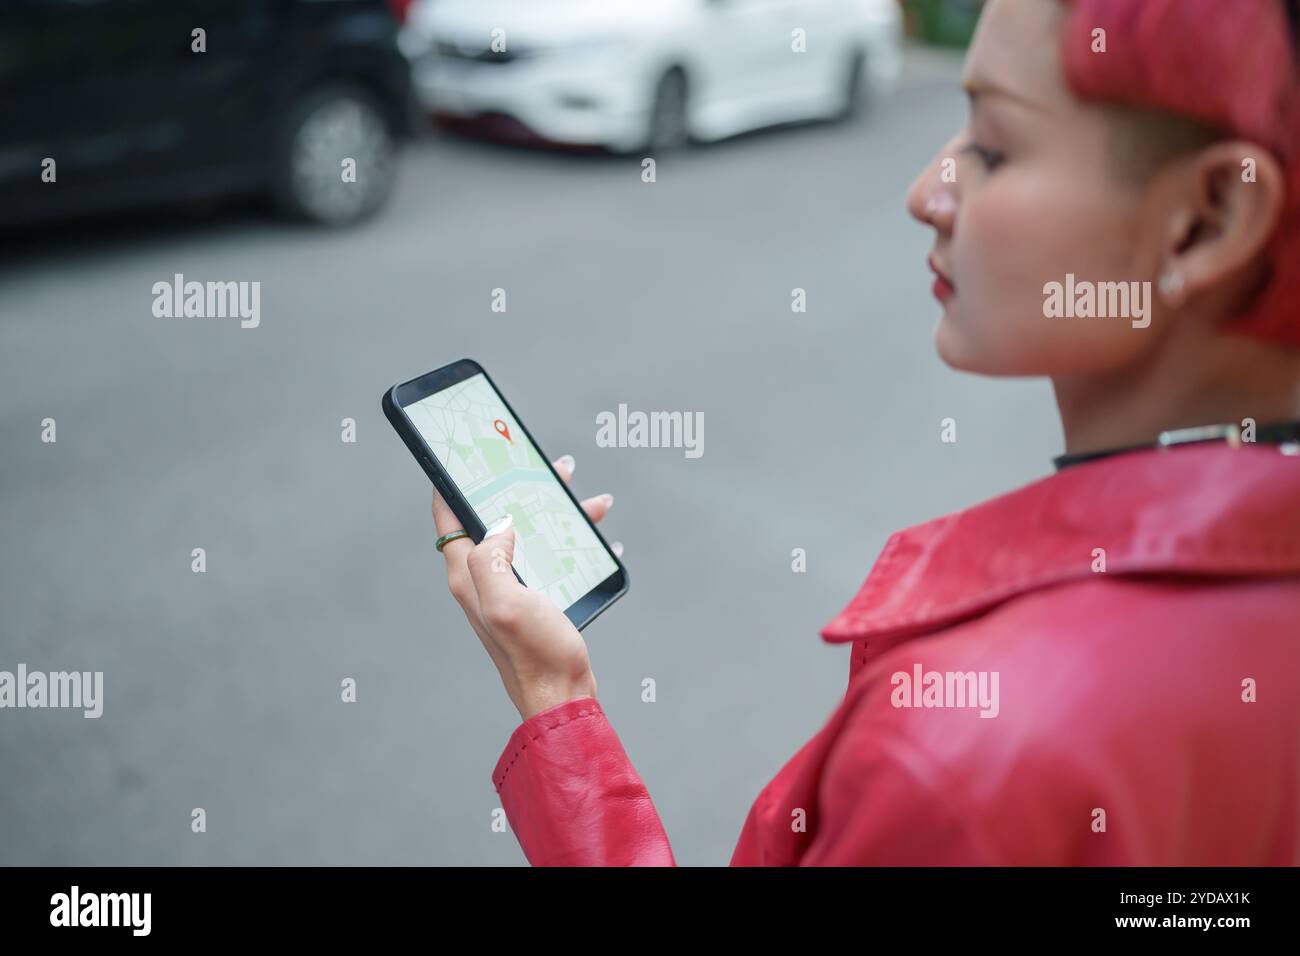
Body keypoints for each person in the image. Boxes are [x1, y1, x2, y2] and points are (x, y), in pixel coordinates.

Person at [429, 0, 1300, 865]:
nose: (927, 192)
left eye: (993, 148)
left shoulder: (965, 756)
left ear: (1210, 217)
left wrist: (552, 693)